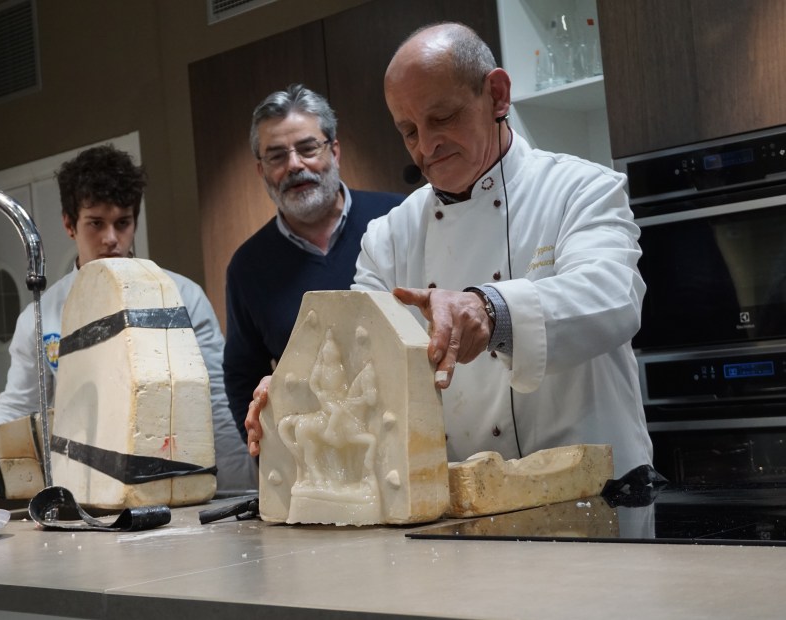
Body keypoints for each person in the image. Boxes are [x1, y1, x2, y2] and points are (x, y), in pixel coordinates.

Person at [245, 24, 653, 477]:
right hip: (464, 499)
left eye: (442, 118)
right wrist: (296, 392)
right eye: (409, 131)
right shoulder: (388, 237)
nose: (426, 145)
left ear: (497, 95)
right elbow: (359, 360)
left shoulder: (581, 189)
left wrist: (490, 309)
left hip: (597, 490)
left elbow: (613, 298)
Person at [0, 144, 257, 494]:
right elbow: (18, 407)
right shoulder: (41, 317)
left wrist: (239, 491)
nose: (111, 239)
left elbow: (214, 399)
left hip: (177, 478)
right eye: (96, 224)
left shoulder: (183, 297)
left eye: (122, 223)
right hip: (87, 486)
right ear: (69, 224)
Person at [223, 84, 405, 443]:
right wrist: (270, 450)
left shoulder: (398, 219)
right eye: (276, 156)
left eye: (308, 148)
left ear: (334, 151)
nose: (294, 165)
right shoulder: (247, 267)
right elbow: (242, 375)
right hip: (319, 450)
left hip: (412, 435)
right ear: (261, 171)